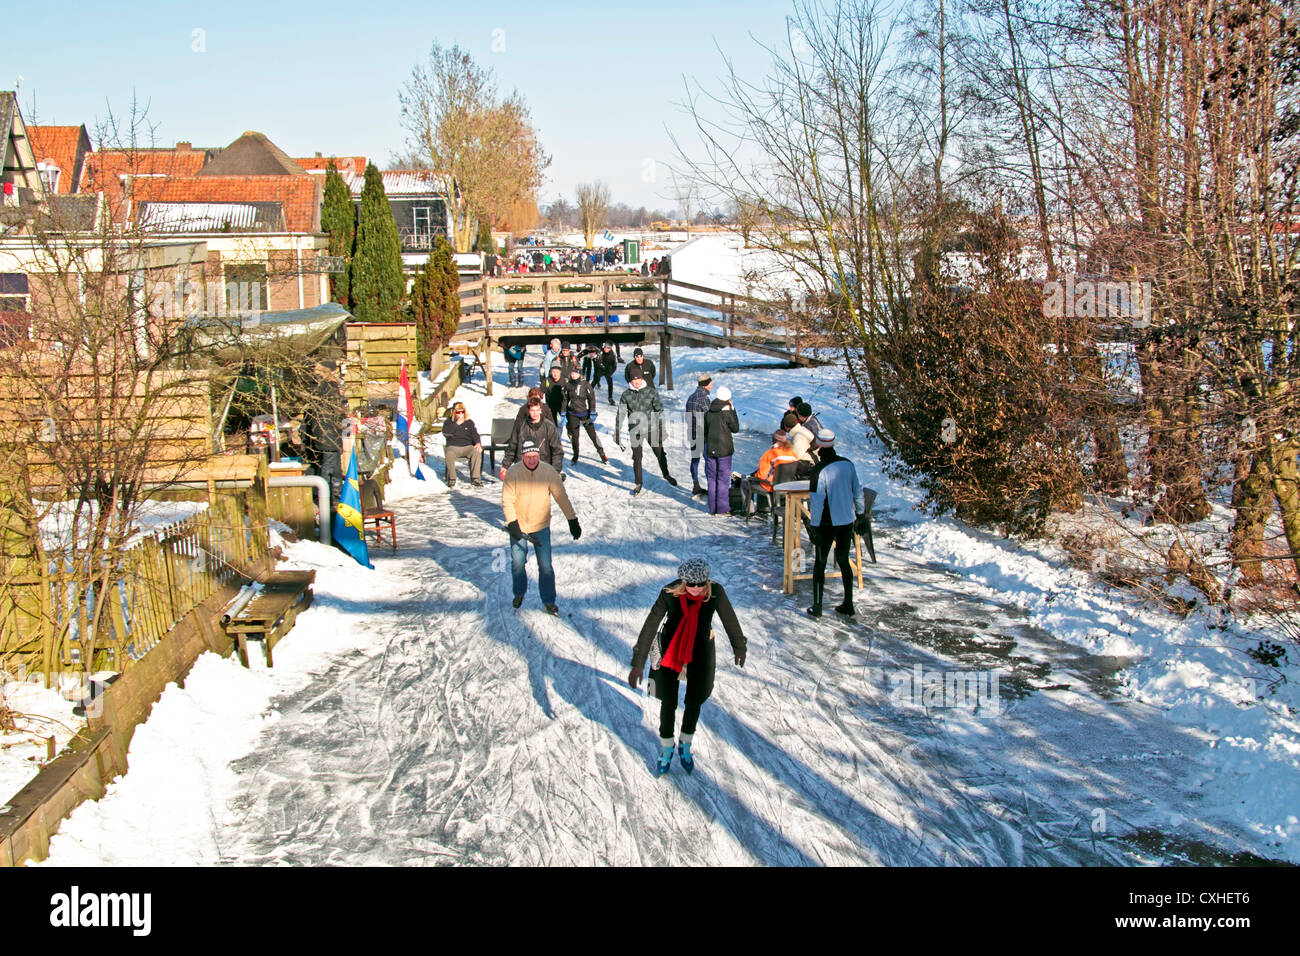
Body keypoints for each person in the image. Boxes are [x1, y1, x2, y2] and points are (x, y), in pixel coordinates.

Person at [627, 558, 747, 777]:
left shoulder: (715, 593)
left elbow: (730, 620)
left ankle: (685, 744)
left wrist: (739, 646)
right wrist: (638, 663)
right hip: (670, 650)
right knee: (668, 700)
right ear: (683, 582)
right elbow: (650, 625)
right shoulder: (670, 593)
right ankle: (666, 748)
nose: (697, 589)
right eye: (691, 585)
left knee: (695, 699)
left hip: (700, 650)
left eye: (701, 584)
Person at [502, 438, 581, 614]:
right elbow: (507, 500)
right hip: (519, 525)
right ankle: (519, 592)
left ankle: (548, 600)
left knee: (545, 565)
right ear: (522, 456)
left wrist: (572, 520)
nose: (531, 460)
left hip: (541, 525)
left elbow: (561, 496)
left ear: (539, 455)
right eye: (528, 456)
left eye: (535, 456)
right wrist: (512, 522)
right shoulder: (513, 473)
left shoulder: (548, 472)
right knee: (517, 562)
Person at [806, 429, 867, 618]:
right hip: (846, 519)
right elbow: (857, 491)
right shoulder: (848, 465)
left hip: (826, 521)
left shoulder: (819, 471)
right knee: (843, 560)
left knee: (821, 562)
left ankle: (817, 606)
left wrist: (813, 525)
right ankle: (848, 603)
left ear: (819, 446)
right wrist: (861, 513)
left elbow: (817, 502)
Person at [615, 368, 677, 495]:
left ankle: (666, 474)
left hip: (651, 428)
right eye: (633, 379)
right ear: (630, 380)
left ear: (642, 379)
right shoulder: (626, 395)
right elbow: (621, 413)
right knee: (637, 458)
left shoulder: (650, 392)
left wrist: (661, 428)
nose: (636, 382)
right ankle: (638, 483)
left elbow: (659, 410)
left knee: (660, 453)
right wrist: (617, 431)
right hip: (635, 430)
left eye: (638, 379)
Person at [299, 361, 349, 508]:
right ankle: (330, 500)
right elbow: (339, 414)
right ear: (331, 371)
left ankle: (321, 496)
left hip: (315, 436)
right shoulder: (330, 388)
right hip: (329, 435)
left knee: (321, 465)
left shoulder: (313, 388)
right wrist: (346, 429)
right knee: (330, 468)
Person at [501, 395, 565, 478]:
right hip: (523, 468)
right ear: (528, 410)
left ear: (540, 410)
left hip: (543, 467)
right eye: (532, 410)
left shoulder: (549, 426)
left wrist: (555, 470)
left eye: (537, 410)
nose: (535, 413)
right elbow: (512, 446)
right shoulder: (520, 426)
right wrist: (505, 465)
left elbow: (557, 450)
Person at [741, 430, 799, 515]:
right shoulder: (792, 453)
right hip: (787, 486)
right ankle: (764, 508)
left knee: (745, 482)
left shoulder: (770, 453)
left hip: (772, 486)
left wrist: (753, 476)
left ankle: (749, 511)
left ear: (774, 440)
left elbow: (761, 475)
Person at [703, 386, 740, 515]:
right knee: (723, 479)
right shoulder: (727, 412)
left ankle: (712, 508)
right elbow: (735, 428)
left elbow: (704, 432)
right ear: (727, 399)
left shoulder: (709, 412)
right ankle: (723, 508)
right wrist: (733, 411)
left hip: (711, 449)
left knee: (712, 478)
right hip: (724, 450)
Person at [561, 366, 608, 464]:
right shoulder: (568, 385)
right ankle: (575, 455)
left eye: (576, 373)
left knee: (592, 435)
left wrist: (592, 411)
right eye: (572, 373)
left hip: (584, 414)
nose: (573, 375)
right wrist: (563, 412)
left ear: (580, 374)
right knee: (575, 436)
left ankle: (602, 453)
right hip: (572, 413)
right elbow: (565, 400)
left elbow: (592, 398)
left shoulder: (586, 384)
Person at [442, 402, 484, 489]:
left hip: (467, 446)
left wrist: (478, 443)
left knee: (476, 452)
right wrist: (456, 424)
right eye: (458, 412)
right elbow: (446, 433)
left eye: (462, 412)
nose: (461, 414)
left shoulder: (469, 422)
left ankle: (475, 478)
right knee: (449, 453)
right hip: (453, 446)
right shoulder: (448, 422)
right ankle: (452, 478)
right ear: (454, 412)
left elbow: (475, 434)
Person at [685, 372, 713, 498]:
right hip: (703, 434)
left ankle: (696, 485)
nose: (712, 386)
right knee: (708, 460)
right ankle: (711, 487)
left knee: (695, 459)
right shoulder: (704, 399)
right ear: (706, 385)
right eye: (711, 383)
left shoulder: (691, 397)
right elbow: (709, 419)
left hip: (693, 432)